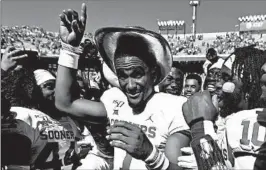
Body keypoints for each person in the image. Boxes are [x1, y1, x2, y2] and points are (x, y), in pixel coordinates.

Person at [55, 3, 190, 170]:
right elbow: (64, 103)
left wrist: (151, 154)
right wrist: (70, 49)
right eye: (123, 76)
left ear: (154, 74)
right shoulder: (114, 100)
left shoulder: (174, 107)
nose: (130, 85)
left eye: (137, 74)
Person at [1, 46, 92, 170]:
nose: (56, 91)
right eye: (49, 86)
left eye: (56, 86)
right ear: (32, 90)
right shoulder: (23, 117)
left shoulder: (69, 120)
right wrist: (3, 71)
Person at [181, 46, 266, 170]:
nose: (218, 84)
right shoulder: (233, 118)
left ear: (250, 84)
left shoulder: (251, 122)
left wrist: (201, 128)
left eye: (227, 78)